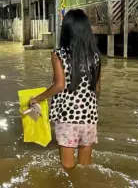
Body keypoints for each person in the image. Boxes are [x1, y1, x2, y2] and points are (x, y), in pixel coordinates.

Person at [30, 9, 101, 169]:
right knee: (86, 167)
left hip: (67, 116)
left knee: (67, 168)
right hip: (89, 117)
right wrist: (90, 110)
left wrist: (37, 98)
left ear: (66, 30)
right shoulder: (95, 55)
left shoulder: (58, 54)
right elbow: (97, 88)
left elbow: (59, 85)